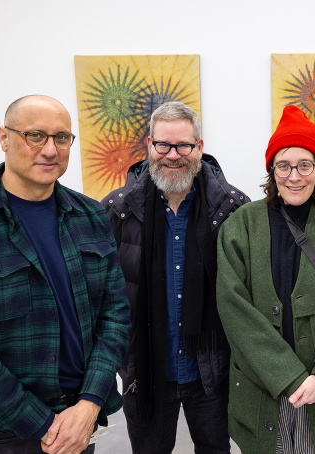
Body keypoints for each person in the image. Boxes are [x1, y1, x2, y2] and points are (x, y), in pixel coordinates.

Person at [0, 95, 130, 454]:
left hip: (81, 419)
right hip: (4, 431)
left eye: (61, 138)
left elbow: (115, 316)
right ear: (4, 137)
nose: (50, 150)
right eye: (35, 135)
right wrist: (45, 426)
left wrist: (89, 403)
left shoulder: (92, 216)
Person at [216, 105, 315, 454]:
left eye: (305, 165)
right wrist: (286, 376)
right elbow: (233, 308)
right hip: (261, 390)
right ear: (271, 171)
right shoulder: (240, 226)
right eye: (283, 166)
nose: (294, 176)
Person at [102, 101, 249, 453]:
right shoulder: (115, 211)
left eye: (183, 145)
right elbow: (104, 299)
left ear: (199, 147)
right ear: (149, 145)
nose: (172, 155)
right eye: (163, 145)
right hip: (147, 371)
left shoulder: (233, 208)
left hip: (212, 372)